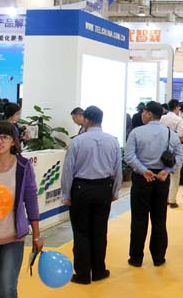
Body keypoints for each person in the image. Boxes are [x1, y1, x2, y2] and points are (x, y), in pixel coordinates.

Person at [61, 106, 122, 284]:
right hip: (104, 187)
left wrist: (66, 194)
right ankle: (99, 271)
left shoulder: (77, 142)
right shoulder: (113, 141)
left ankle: (82, 274)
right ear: (101, 120)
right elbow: (117, 169)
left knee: (81, 232)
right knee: (100, 231)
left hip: (81, 189)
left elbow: (68, 170)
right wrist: (115, 190)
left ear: (85, 120)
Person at [0, 121, 43, 297]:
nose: (0, 141)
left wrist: (36, 235)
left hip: (13, 237)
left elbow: (30, 199)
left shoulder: (23, 166)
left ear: (13, 142)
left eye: (5, 137)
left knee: (7, 288)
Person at [125, 101, 183, 267]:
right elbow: (179, 156)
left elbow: (129, 156)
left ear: (149, 114)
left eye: (144, 112)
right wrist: (168, 170)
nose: (142, 115)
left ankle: (136, 258)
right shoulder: (170, 133)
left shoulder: (136, 132)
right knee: (159, 219)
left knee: (139, 219)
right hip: (161, 179)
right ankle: (158, 257)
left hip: (142, 179)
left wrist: (143, 170)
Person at [160, 99, 183, 209]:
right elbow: (180, 135)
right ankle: (172, 200)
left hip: (162, 148)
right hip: (174, 149)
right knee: (175, 175)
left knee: (163, 174)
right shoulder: (178, 119)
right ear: (176, 108)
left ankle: (164, 198)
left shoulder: (162, 118)